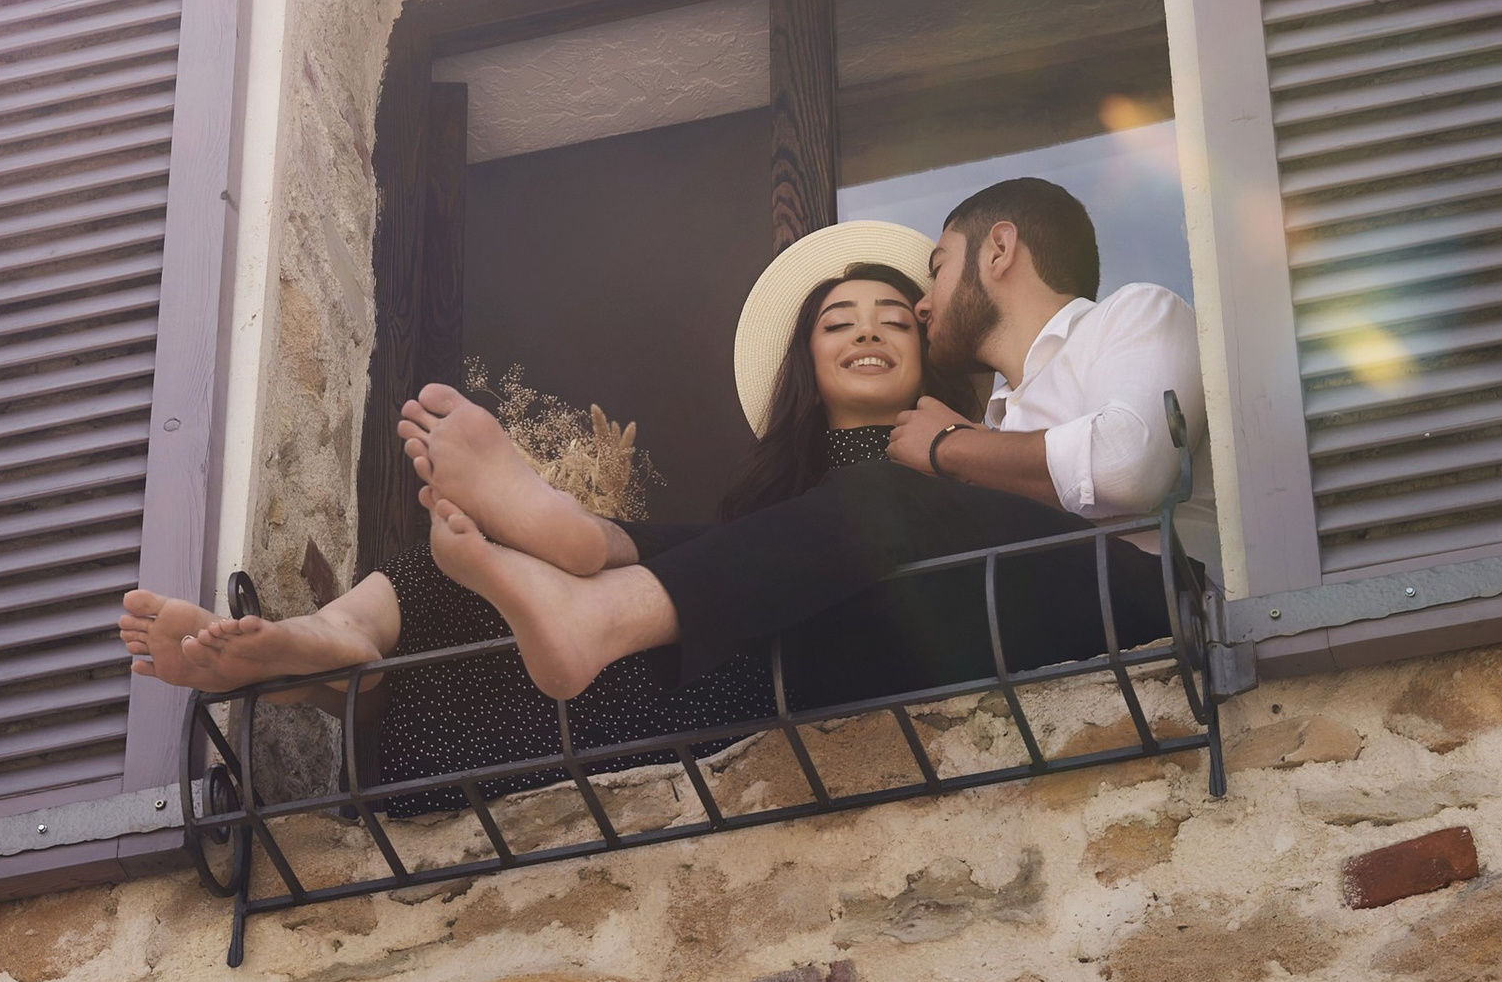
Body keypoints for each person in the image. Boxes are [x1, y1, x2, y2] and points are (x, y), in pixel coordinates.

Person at [117, 237, 941, 788]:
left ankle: (581, 547)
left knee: (852, 509)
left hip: (751, 687)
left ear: (929, 350)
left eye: (894, 320)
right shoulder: (771, 503)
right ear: (809, 358)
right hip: (684, 650)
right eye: (840, 321)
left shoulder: (952, 466)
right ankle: (335, 639)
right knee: (467, 575)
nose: (866, 332)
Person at [407, 176, 1209, 705]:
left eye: (934, 271)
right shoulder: (996, 422)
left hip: (1144, 596)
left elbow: (1133, 465)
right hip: (1018, 626)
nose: (925, 306)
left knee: (890, 497)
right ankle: (597, 539)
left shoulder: (1132, 315)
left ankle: (607, 613)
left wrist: (941, 452)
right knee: (745, 551)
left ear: (997, 251)